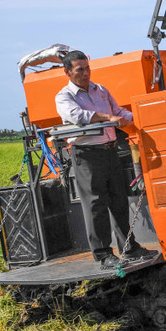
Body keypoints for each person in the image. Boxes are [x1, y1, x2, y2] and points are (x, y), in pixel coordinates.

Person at [55, 50, 158, 269]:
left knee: (119, 200)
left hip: (110, 151)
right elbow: (78, 116)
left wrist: (141, 116)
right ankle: (103, 255)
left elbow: (117, 110)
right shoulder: (64, 96)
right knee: (96, 204)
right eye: (79, 70)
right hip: (88, 154)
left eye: (87, 68)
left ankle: (129, 247)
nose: (85, 73)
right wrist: (108, 118)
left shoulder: (100, 90)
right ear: (67, 72)